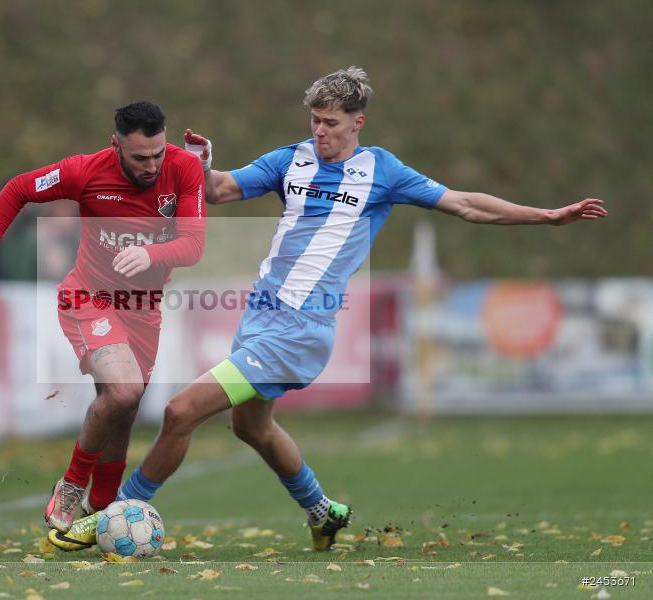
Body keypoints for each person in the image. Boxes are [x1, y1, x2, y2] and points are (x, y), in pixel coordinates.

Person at [53, 66, 608, 552]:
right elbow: (220, 190)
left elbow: (465, 203)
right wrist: (201, 163)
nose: (320, 131)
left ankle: (110, 516)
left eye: (332, 122)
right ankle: (322, 512)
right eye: (316, 120)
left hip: (301, 327)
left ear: (358, 122)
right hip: (260, 318)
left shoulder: (383, 171)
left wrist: (546, 215)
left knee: (180, 412)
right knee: (253, 428)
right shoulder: (288, 160)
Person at [0, 101, 206, 542]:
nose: (151, 166)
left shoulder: (184, 168)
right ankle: (72, 484)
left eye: (157, 154)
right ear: (116, 146)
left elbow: (192, 245)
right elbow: (18, 188)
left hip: (143, 307)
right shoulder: (85, 171)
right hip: (88, 296)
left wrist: (151, 253)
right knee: (125, 391)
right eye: (139, 157)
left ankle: (102, 507)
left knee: (123, 408)